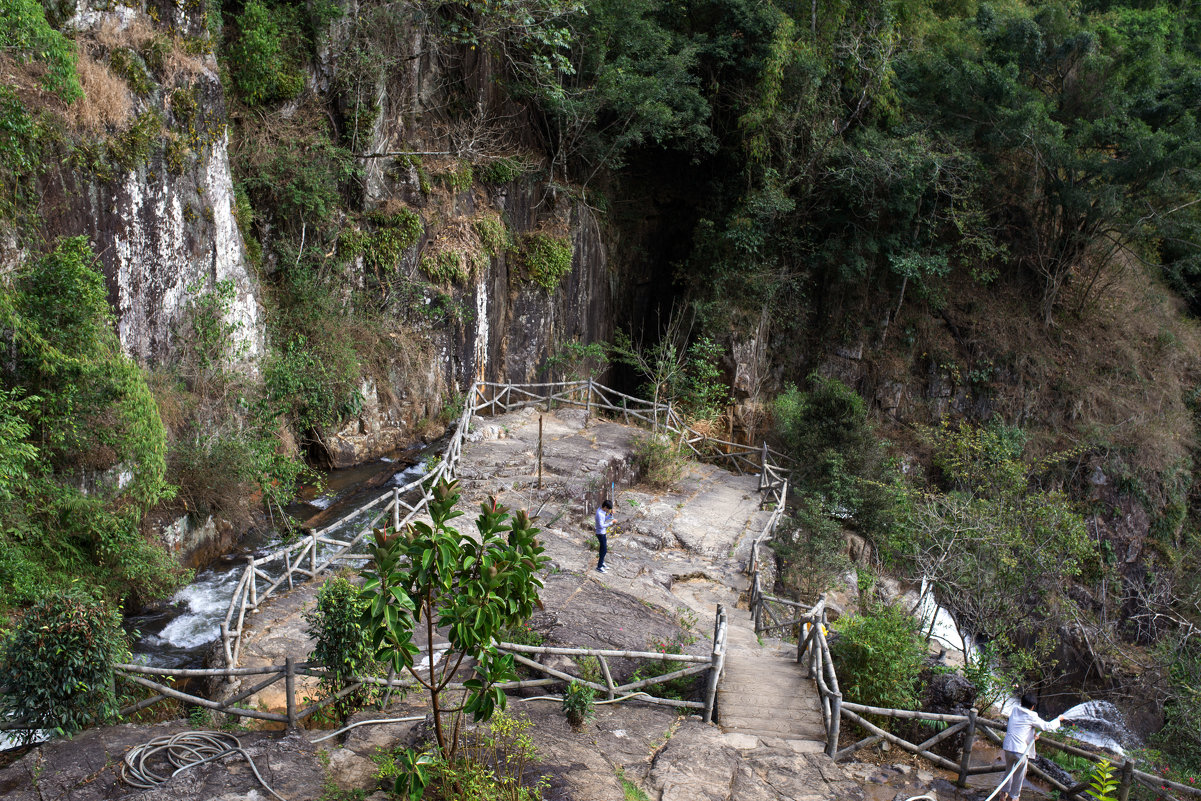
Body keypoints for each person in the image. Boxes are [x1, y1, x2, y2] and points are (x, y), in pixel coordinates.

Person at [997, 693, 1063, 801]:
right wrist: (1058, 720)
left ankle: (1003, 794)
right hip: (1020, 751)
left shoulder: (1014, 710)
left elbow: (1021, 727)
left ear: (1021, 702)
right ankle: (1013, 797)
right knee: (1019, 775)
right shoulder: (1032, 716)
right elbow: (1047, 726)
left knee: (1008, 771)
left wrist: (1032, 736)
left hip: (1008, 747)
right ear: (1032, 707)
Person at [594, 500, 614, 573]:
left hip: (603, 533)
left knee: (603, 549)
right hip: (600, 533)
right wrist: (611, 523)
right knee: (604, 549)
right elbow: (601, 525)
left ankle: (602, 562)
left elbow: (603, 520)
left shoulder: (602, 511)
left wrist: (610, 515)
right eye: (608, 509)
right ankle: (599, 567)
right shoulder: (599, 513)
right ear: (605, 507)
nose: (608, 510)